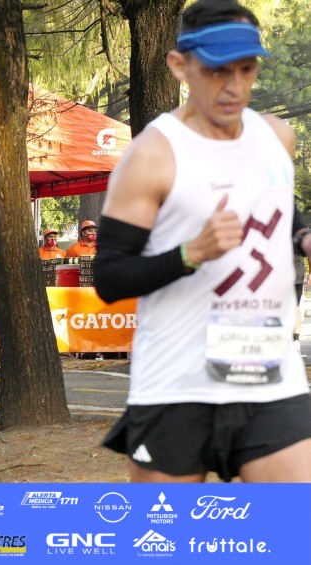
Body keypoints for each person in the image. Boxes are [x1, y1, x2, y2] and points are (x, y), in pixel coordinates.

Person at [94, 0, 311, 483]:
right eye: (217, 71)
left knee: (293, 524)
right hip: (177, 383)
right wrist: (190, 254)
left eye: (246, 69)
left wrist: (303, 236)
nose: (234, 87)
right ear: (180, 65)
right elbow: (108, 278)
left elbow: (279, 207)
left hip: (268, 375)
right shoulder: (153, 154)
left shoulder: (277, 137)